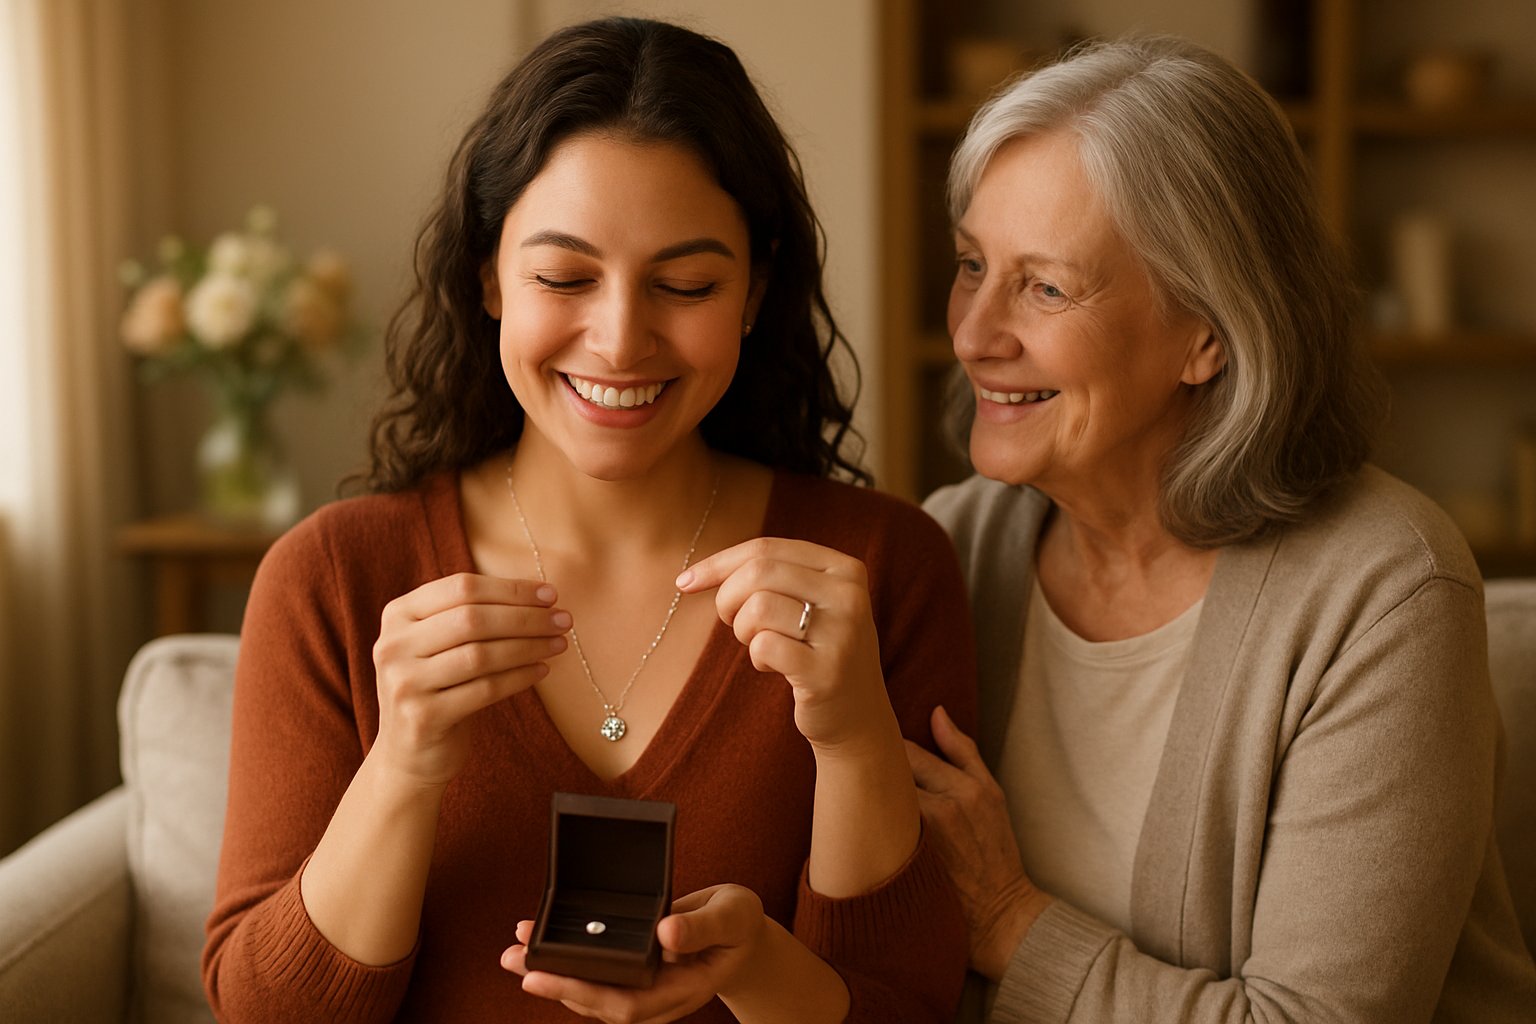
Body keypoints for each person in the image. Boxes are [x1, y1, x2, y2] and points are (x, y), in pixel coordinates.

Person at [201, 17, 974, 1023]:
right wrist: (403, 766)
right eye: (564, 278)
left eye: (686, 284)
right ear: (486, 275)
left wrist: (852, 744)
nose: (618, 339)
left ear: (755, 289)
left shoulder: (881, 566)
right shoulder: (334, 576)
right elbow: (267, 1012)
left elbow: (906, 1006)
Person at [907, 35, 1536, 1023]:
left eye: (1045, 286)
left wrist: (1007, 918)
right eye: (972, 266)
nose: (976, 332)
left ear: (1207, 331)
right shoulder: (952, 546)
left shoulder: (1381, 589)